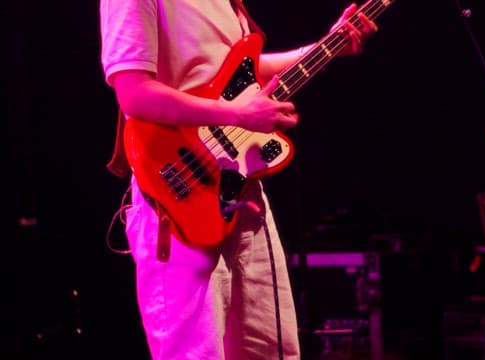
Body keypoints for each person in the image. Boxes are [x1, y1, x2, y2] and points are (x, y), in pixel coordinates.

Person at [99, 0, 378, 359]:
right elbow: (134, 93)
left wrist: (327, 45)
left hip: (241, 193)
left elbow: (241, 72)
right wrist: (237, 114)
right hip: (178, 197)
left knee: (272, 350)